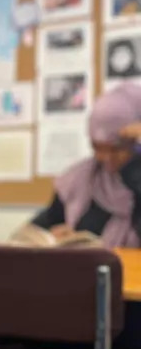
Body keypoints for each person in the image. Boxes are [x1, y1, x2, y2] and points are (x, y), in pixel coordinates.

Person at [30, 83, 141, 248]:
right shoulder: (80, 179)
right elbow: (42, 228)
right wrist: (56, 240)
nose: (104, 157)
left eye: (116, 148)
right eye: (97, 146)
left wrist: (134, 168)